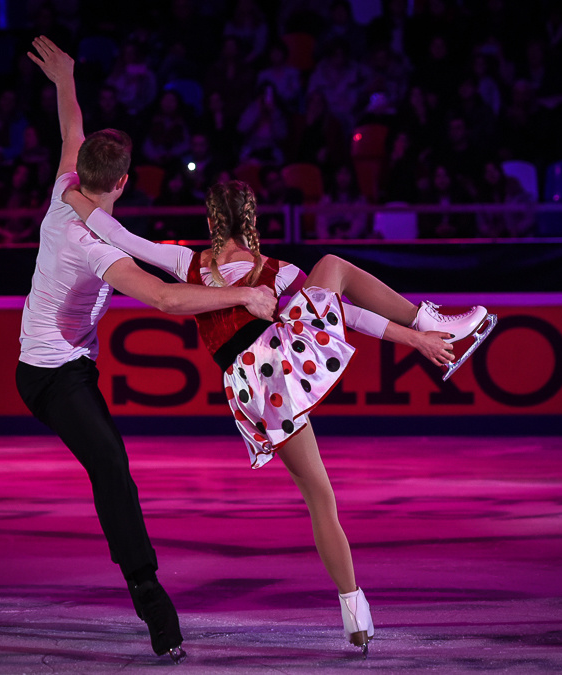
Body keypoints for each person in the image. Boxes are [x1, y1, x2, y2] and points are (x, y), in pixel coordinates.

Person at [64, 179, 496, 655]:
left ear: (210, 223)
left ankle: (357, 613)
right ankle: (425, 322)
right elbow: (345, 316)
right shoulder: (280, 272)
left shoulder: (188, 262)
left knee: (318, 492)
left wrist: (72, 198)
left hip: (253, 386)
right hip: (282, 364)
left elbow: (119, 236)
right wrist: (412, 339)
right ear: (253, 223)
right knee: (332, 270)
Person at [17, 37, 277, 663]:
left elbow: (70, 129)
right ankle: (151, 599)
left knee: (112, 466)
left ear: (84, 173)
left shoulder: (63, 190)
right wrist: (241, 300)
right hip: (51, 377)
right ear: (126, 183)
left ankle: (146, 591)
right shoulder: (91, 244)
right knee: (112, 467)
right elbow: (163, 301)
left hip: (64, 364)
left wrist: (67, 80)